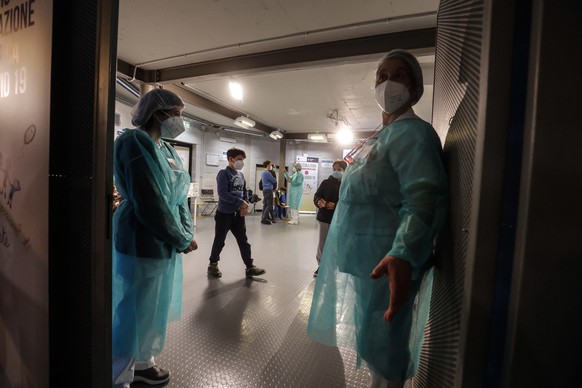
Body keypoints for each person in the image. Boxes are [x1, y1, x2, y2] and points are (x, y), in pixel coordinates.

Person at [307, 49, 448, 388]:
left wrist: (402, 252)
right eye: (382, 77)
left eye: (399, 76)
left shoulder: (414, 133)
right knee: (373, 339)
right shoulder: (380, 136)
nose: (388, 83)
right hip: (365, 261)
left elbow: (423, 199)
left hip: (389, 260)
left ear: (414, 87)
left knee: (386, 342)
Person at [112, 88, 198, 388]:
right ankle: (118, 375)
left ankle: (143, 363)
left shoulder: (168, 149)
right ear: (157, 113)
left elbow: (177, 198)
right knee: (134, 308)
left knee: (150, 307)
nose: (180, 119)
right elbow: (150, 201)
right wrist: (179, 237)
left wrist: (185, 233)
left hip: (163, 238)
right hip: (141, 236)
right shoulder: (134, 141)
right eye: (176, 114)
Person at [207, 147, 266, 278]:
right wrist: (240, 203)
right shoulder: (224, 173)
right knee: (220, 241)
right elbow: (223, 194)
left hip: (238, 215)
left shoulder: (240, 174)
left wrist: (244, 204)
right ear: (231, 159)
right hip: (224, 215)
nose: (241, 162)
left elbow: (244, 191)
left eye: (243, 160)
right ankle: (213, 265)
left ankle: (249, 266)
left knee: (243, 241)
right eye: (239, 159)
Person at [312, 159, 347, 277]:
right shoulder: (326, 183)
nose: (337, 172)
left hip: (339, 218)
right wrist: (319, 202)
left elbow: (348, 201)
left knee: (337, 243)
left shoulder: (346, 184)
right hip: (324, 217)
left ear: (345, 170)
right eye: (335, 169)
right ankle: (321, 266)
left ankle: (334, 265)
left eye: (340, 170)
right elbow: (317, 196)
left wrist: (335, 205)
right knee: (322, 243)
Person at [260, 160, 277, 225]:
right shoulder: (267, 173)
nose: (271, 166)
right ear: (268, 165)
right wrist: (273, 170)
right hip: (269, 190)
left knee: (266, 205)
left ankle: (263, 218)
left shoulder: (263, 172)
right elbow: (274, 180)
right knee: (269, 205)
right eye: (270, 165)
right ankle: (264, 219)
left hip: (265, 190)